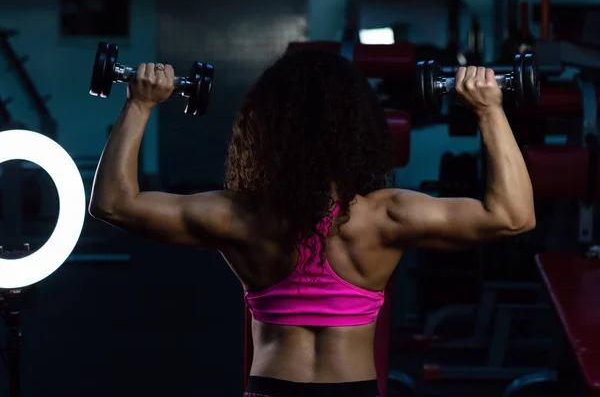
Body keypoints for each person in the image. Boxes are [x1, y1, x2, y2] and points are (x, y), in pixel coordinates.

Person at [89, 50, 535, 397]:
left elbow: (112, 204)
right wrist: (489, 109)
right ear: (358, 129)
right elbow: (514, 217)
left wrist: (140, 103)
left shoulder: (241, 217)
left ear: (264, 131)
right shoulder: (387, 215)